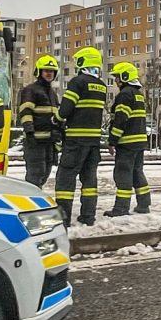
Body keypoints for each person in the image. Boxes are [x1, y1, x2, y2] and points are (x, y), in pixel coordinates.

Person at [53, 47, 106, 227]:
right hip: (94, 142)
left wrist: (56, 118)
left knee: (65, 178)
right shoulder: (101, 86)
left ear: (83, 62)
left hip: (76, 140)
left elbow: (66, 107)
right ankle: (88, 216)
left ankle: (63, 218)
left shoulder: (78, 82)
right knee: (89, 179)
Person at [104, 62, 151, 217]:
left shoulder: (125, 94)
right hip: (139, 142)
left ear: (124, 77)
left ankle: (121, 208)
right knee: (137, 172)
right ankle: (144, 204)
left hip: (127, 142)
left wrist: (112, 141)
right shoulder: (138, 94)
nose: (116, 80)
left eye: (117, 77)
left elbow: (120, 119)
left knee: (123, 173)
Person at [18, 54, 60, 188]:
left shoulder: (53, 94)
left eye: (52, 71)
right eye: (46, 70)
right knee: (35, 176)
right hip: (35, 141)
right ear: (39, 71)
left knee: (45, 174)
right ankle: (30, 203)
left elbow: (56, 117)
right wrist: (29, 132)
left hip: (49, 142)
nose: (49, 73)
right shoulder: (30, 90)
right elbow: (25, 112)